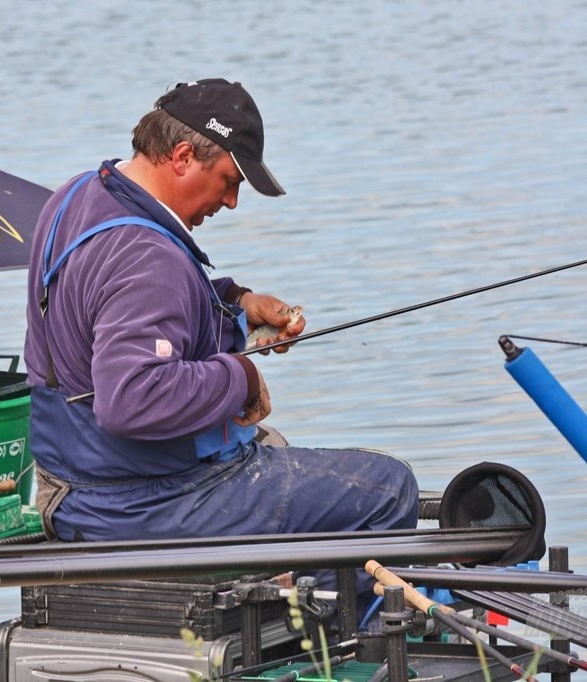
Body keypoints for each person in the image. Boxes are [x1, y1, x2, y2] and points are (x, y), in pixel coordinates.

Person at [24, 78, 419, 604]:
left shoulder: (79, 195)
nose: (231, 202)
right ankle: (320, 646)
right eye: (229, 181)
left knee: (274, 450)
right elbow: (131, 399)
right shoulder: (148, 255)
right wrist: (242, 376)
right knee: (388, 490)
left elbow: (118, 307)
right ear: (184, 156)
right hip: (134, 505)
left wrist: (236, 308)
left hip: (71, 482)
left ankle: (285, 603)